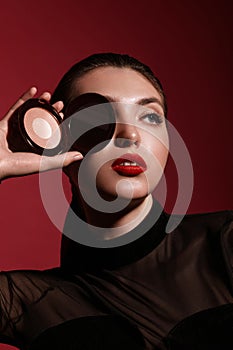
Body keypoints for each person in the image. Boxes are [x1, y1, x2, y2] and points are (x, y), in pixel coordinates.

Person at [0, 53, 232, 350]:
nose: (131, 135)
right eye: (99, 117)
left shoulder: (224, 242)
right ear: (57, 141)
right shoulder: (28, 300)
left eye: (150, 117)